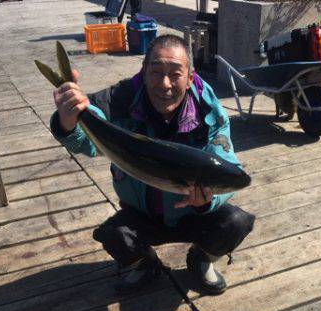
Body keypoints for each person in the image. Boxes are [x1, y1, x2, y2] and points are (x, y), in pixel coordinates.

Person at [51, 34, 254, 295]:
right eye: (156, 72)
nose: (165, 84)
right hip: (143, 215)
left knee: (236, 221)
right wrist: (70, 120)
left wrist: (205, 202)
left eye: (175, 74)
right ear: (143, 72)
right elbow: (90, 137)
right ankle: (146, 265)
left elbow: (226, 163)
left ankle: (201, 259)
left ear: (190, 78)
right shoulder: (120, 100)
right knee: (114, 234)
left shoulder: (210, 114)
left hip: (193, 216)